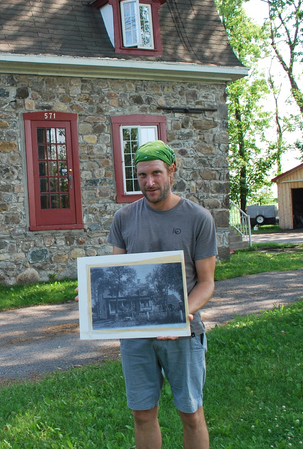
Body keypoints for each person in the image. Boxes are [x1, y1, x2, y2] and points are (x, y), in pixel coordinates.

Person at [107, 140, 217, 449]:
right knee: (142, 414)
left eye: (156, 173)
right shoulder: (124, 218)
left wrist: (180, 315)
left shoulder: (198, 218)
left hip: (183, 331)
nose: (149, 182)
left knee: (191, 413)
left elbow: (206, 283)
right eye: (142, 175)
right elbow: (118, 274)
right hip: (136, 333)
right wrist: (94, 289)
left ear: (171, 170)